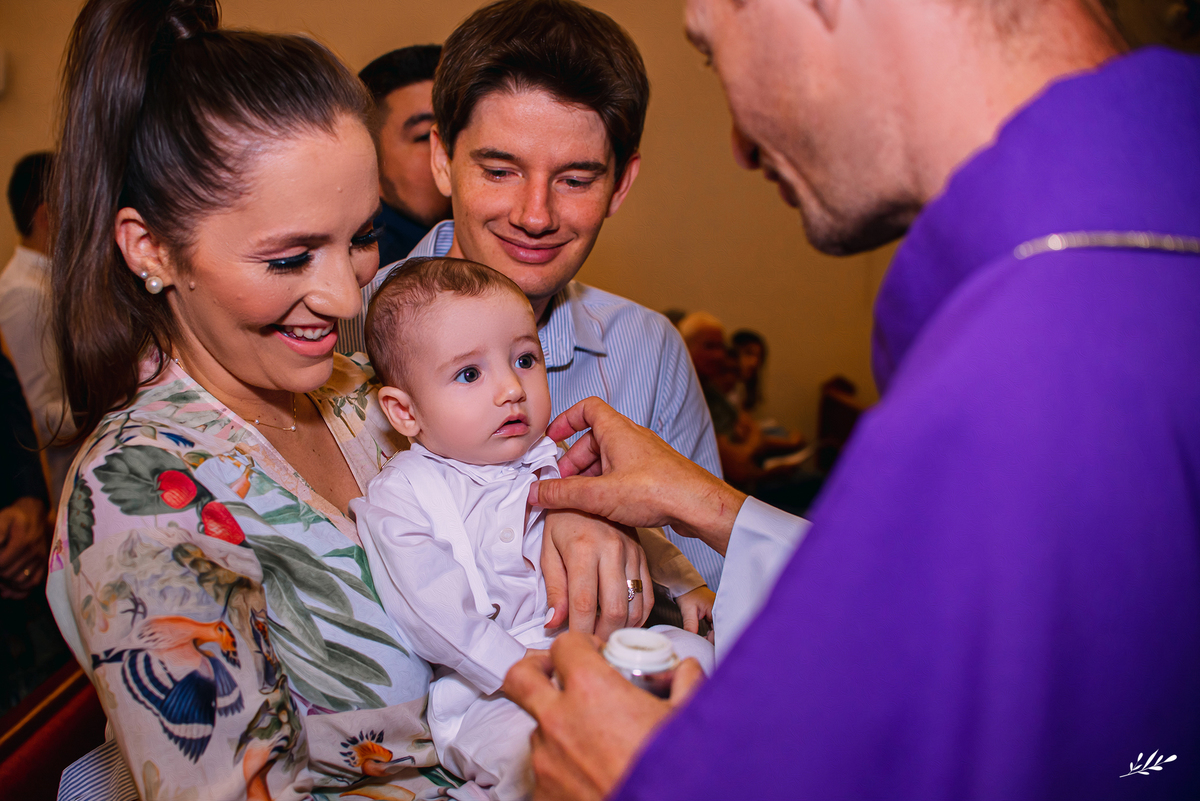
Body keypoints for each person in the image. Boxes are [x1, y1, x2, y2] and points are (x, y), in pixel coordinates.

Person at [503, 1, 1200, 799]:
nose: (739, 144)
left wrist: (648, 781)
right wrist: (712, 506)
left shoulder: (1032, 353)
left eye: (711, 49)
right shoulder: (1135, 245)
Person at [44, 1, 635, 797]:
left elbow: (486, 484)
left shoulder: (358, 394)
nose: (344, 299)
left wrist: (560, 508)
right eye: (290, 258)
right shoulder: (142, 493)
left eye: (359, 240)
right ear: (150, 248)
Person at [337, 0, 728, 598]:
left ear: (620, 184)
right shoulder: (343, 322)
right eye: (500, 171)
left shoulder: (648, 351)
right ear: (443, 159)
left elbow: (714, 595)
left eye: (575, 179)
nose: (535, 215)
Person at [352, 257, 713, 800]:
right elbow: (433, 612)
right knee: (533, 751)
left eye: (524, 359)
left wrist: (687, 585)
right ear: (404, 412)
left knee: (701, 661)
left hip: (600, 649)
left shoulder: (554, 458)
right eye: (469, 374)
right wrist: (519, 671)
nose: (511, 389)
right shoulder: (404, 495)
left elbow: (634, 526)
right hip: (489, 689)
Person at [0, 151, 76, 501]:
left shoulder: (48, 282)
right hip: (60, 482)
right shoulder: (25, 294)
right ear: (47, 216)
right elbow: (40, 416)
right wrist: (124, 401)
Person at [349, 44, 452, 293]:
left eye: (456, 130)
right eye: (424, 136)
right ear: (370, 163)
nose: (448, 151)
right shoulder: (376, 283)